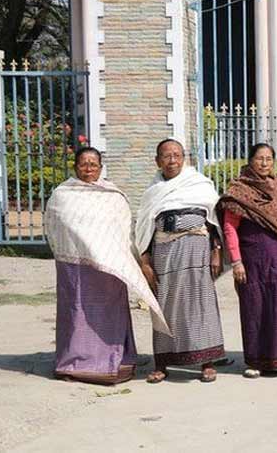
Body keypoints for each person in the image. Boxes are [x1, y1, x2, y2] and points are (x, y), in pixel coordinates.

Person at [45, 147, 169, 384]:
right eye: (84, 164)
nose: (89, 168)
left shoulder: (113, 195)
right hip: (76, 267)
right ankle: (73, 362)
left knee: (109, 312)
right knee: (77, 311)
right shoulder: (62, 195)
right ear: (75, 167)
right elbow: (54, 226)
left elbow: (123, 230)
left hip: (109, 268)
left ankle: (115, 360)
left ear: (101, 168)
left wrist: (113, 253)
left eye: (94, 164)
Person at [136, 138, 226, 383]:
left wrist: (216, 250)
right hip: (164, 252)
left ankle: (206, 362)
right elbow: (143, 228)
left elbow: (214, 220)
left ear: (184, 158)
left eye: (177, 155)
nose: (172, 160)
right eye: (166, 155)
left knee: (200, 302)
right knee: (165, 304)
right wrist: (145, 262)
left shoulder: (199, 184)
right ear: (157, 161)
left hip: (197, 248)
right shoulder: (152, 192)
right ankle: (163, 363)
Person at [216, 143, 277, 379]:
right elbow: (229, 228)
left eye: (269, 159)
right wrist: (236, 262)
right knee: (254, 308)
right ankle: (255, 360)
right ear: (250, 161)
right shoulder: (239, 190)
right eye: (259, 158)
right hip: (252, 258)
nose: (264, 163)